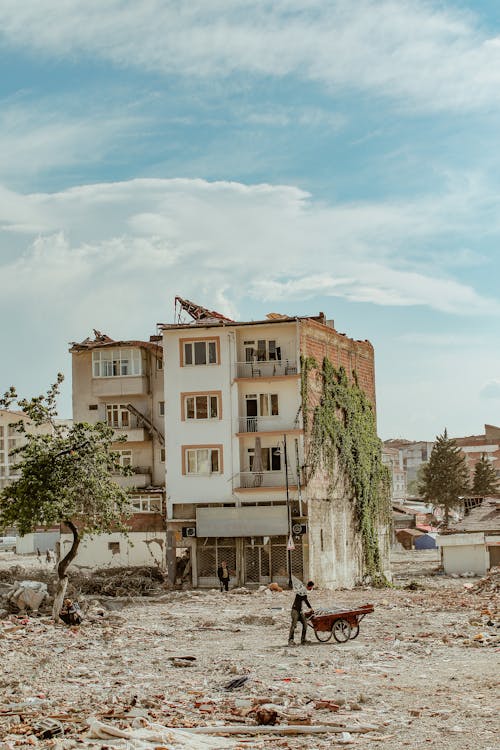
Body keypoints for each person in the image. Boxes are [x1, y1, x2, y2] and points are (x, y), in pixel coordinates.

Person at [288, 580, 314, 646]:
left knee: (305, 624)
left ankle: (303, 640)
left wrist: (310, 608)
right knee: (293, 626)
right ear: (309, 587)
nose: (311, 589)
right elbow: (305, 600)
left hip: (300, 611)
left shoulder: (303, 592)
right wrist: (310, 608)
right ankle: (290, 640)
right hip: (295, 611)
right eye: (311, 588)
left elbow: (305, 600)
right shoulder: (301, 591)